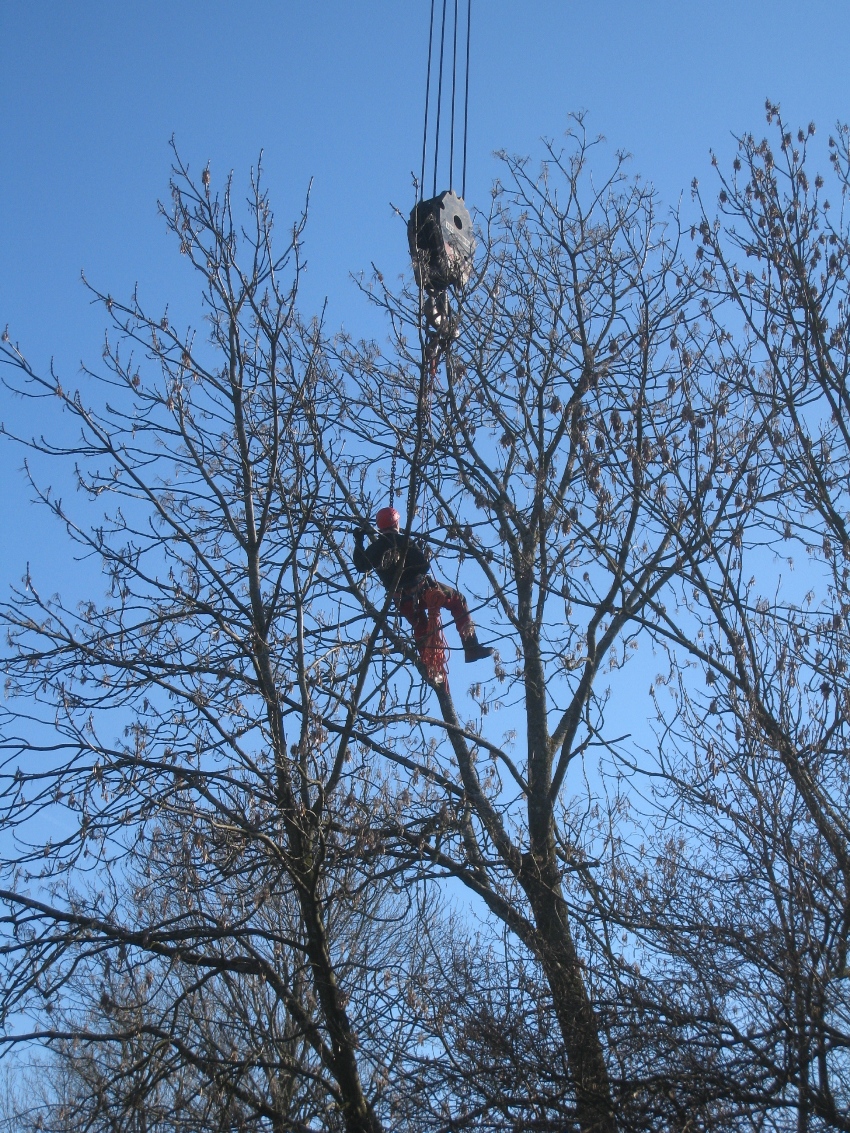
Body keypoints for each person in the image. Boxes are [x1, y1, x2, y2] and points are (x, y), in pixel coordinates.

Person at [353, 507, 494, 665]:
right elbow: (424, 566)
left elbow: (360, 565)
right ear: (396, 523)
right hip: (423, 591)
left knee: (421, 627)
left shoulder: (374, 549)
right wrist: (419, 549)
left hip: (402, 600)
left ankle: (430, 666)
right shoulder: (404, 542)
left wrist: (359, 541)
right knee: (458, 600)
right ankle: (471, 647)